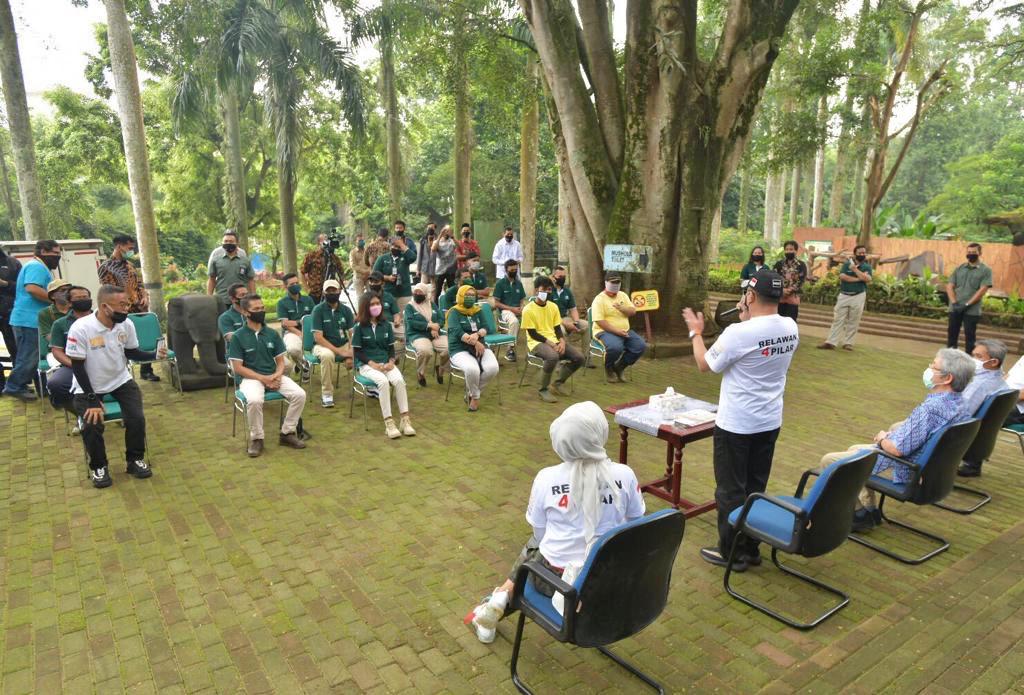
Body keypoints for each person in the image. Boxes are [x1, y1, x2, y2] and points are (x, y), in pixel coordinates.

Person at [463, 401, 646, 644]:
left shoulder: (547, 479)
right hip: (609, 581)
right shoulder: (625, 474)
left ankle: (498, 600)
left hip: (557, 584)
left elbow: (540, 535)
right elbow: (635, 524)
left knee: (533, 548)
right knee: (543, 547)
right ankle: (498, 599)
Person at [681, 270, 798, 571]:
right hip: (769, 420)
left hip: (737, 424)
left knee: (731, 489)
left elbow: (705, 364)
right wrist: (747, 320)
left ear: (751, 296)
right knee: (756, 485)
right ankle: (751, 546)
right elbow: (759, 342)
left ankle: (731, 551)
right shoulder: (790, 326)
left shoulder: (737, 333)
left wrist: (696, 332)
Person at [818, 348, 974, 532]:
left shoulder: (932, 408)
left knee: (830, 461)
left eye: (934, 365)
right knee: (855, 448)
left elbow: (896, 450)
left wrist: (883, 438)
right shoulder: (960, 403)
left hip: (908, 469)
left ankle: (859, 515)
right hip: (931, 470)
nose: (929, 368)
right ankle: (869, 511)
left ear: (947, 378)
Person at [67, 285, 166, 488]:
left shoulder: (126, 324)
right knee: (92, 424)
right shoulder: (81, 328)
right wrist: (92, 399)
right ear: (105, 307)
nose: (127, 308)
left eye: (127, 303)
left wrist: (153, 355)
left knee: (136, 418)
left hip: (120, 380)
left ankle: (134, 460)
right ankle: (98, 467)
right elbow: (77, 366)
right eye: (122, 305)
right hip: (88, 385)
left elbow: (132, 352)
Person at [227, 294, 308, 457]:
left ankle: (287, 433)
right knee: (255, 400)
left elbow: (280, 361)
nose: (261, 311)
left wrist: (277, 375)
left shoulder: (272, 333)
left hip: (273, 375)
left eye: (262, 308)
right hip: (250, 379)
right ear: (245, 312)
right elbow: (238, 368)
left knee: (300, 394)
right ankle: (257, 438)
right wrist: (263, 379)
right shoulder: (238, 336)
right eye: (256, 309)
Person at [351, 291, 416, 439]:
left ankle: (405, 420)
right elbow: (358, 352)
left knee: (399, 381)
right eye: (372, 304)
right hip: (367, 365)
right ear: (365, 307)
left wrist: (391, 361)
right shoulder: (359, 327)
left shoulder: (386, 325)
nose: (376, 307)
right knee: (383, 382)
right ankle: (389, 422)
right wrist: (371, 363)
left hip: (386, 363)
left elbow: (391, 348)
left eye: (378, 304)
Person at [3, 239, 61, 401]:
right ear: (43, 251)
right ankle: (14, 386)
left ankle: (37, 387)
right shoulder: (36, 267)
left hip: (26, 319)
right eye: (55, 253)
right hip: (29, 320)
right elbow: (32, 288)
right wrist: (55, 301)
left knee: (32, 356)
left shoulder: (37, 265)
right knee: (29, 356)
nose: (58, 257)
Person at [99, 234, 160, 381]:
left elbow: (139, 284)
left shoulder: (130, 265)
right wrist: (127, 302)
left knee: (146, 338)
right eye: (129, 248)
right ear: (119, 246)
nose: (131, 251)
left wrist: (145, 297)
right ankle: (121, 372)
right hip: (121, 312)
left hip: (140, 309)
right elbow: (108, 291)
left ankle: (146, 370)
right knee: (122, 340)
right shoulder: (105, 267)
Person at [521, 276, 584, 402]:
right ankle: (543, 389)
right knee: (553, 356)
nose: (547, 292)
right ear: (536, 290)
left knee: (579, 358)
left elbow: (557, 328)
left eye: (550, 289)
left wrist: (562, 341)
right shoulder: (528, 309)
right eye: (544, 289)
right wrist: (551, 344)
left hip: (554, 340)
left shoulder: (553, 307)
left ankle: (557, 383)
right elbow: (533, 334)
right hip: (536, 343)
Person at [957, 339, 1009, 477]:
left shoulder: (979, 385)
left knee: (897, 428)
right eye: (973, 355)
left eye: (978, 357)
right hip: (979, 440)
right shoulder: (1000, 381)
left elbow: (959, 415)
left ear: (993, 362)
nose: (973, 359)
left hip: (958, 436)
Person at [446, 284, 500, 412]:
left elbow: (486, 327)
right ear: (460, 296)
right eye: (467, 295)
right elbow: (457, 332)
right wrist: (475, 342)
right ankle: (475, 397)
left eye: (472, 295)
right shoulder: (453, 312)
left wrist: (477, 335)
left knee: (493, 368)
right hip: (459, 349)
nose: (470, 297)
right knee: (472, 369)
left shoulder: (477, 310)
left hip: (480, 346)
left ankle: (470, 393)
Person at [591, 270, 646, 382]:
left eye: (617, 282)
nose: (615, 285)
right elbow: (600, 321)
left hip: (625, 331)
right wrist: (617, 332)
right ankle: (609, 368)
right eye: (613, 283)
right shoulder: (599, 299)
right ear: (606, 283)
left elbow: (632, 311)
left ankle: (619, 367)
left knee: (640, 346)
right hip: (604, 331)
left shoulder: (623, 295)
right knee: (615, 347)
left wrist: (621, 308)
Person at [309, 279, 354, 408]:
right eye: (328, 291)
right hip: (322, 346)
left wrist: (350, 353)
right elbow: (318, 337)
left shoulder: (346, 310)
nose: (331, 293)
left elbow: (352, 334)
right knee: (328, 355)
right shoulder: (318, 310)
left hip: (343, 344)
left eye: (334, 290)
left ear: (339, 291)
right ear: (324, 293)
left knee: (363, 349)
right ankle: (327, 393)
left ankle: (368, 386)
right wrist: (340, 352)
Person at [47, 286, 93, 410]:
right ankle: (80, 414)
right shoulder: (60, 324)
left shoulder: (102, 319)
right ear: (70, 302)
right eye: (78, 298)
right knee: (55, 384)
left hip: (101, 364)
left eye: (85, 297)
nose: (83, 300)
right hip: (73, 366)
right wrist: (74, 365)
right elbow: (57, 351)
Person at [818, 245, 873, 351]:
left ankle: (848, 343)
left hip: (858, 295)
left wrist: (855, 270)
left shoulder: (867, 267)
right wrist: (859, 278)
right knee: (838, 319)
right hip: (844, 295)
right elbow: (843, 277)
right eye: (860, 253)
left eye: (863, 253)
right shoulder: (847, 264)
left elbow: (868, 279)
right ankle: (831, 342)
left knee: (854, 320)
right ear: (855, 253)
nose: (862, 254)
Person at [946, 242, 992, 355]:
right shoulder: (959, 268)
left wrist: (967, 305)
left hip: (972, 311)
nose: (971, 254)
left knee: (970, 337)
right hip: (955, 308)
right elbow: (949, 286)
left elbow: (982, 290)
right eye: (969, 252)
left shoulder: (985, 270)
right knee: (952, 335)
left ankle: (969, 363)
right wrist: (954, 303)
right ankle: (950, 360)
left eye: (974, 252)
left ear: (980, 253)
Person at [404, 282, 448, 387]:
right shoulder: (410, 307)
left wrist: (437, 326)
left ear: (425, 294)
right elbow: (411, 323)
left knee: (452, 347)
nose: (417, 294)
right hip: (417, 334)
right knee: (425, 351)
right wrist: (429, 326)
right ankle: (421, 373)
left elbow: (441, 318)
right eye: (415, 292)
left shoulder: (431, 304)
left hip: (435, 334)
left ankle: (441, 368)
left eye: (420, 292)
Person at [276, 272, 315, 375]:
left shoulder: (308, 300)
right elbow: (285, 324)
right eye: (292, 284)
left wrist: (296, 322)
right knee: (293, 349)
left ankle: (301, 366)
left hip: (309, 331)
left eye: (297, 283)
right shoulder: (282, 303)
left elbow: (314, 319)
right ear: (285, 286)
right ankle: (304, 364)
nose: (295, 286)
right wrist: (300, 327)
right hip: (291, 333)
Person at [372, 226, 417, 315]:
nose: (395, 247)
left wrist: (402, 245)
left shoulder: (405, 256)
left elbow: (413, 257)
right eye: (393, 245)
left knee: (404, 318)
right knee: (388, 317)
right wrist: (387, 277)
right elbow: (374, 274)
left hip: (404, 293)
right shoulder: (383, 258)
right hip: (388, 292)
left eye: (397, 246)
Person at [207, 230, 254, 307]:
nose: (228, 243)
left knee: (241, 319)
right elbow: (211, 279)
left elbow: (251, 280)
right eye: (226, 241)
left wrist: (253, 297)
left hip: (241, 300)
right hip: (222, 300)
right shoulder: (215, 260)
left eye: (231, 241)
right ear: (222, 243)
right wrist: (209, 297)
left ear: (237, 243)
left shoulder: (245, 260)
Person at [493, 259, 526, 362]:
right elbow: (496, 303)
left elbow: (522, 300)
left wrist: (521, 307)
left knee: (535, 319)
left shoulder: (519, 284)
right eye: (512, 270)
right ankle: (510, 350)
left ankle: (535, 349)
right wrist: (512, 309)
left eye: (516, 270)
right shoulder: (500, 284)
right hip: (505, 311)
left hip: (518, 310)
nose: (514, 271)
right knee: (514, 322)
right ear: (506, 270)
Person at [0, 246, 23, 392]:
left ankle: (18, 385)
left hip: (9, 313)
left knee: (16, 350)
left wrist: (5, 284)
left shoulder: (12, 263)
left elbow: (23, 287)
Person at [300, 233, 344, 304]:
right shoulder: (312, 256)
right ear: (318, 243)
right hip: (315, 292)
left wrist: (339, 287)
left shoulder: (334, 258)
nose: (326, 242)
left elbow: (341, 272)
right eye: (324, 240)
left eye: (327, 239)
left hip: (330, 292)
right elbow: (302, 272)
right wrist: (307, 289)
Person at [550, 266, 588, 342]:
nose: (562, 278)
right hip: (552, 320)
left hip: (565, 318)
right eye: (560, 276)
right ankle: (564, 352)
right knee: (562, 331)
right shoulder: (548, 291)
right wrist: (566, 324)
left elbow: (573, 309)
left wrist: (576, 322)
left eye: (564, 276)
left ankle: (586, 353)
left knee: (587, 326)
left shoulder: (567, 291)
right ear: (553, 277)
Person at [773, 240, 807, 322]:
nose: (789, 251)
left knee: (790, 323)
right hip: (779, 298)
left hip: (793, 299)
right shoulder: (779, 264)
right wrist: (782, 290)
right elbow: (774, 278)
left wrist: (789, 290)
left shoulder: (801, 265)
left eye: (791, 249)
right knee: (778, 322)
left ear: (796, 251)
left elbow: (801, 280)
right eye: (787, 249)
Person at [365, 271, 402, 339]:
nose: (372, 284)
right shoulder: (364, 297)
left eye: (376, 282)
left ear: (382, 283)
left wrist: (397, 321)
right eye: (371, 282)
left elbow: (396, 313)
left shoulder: (389, 296)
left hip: (389, 324)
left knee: (406, 334)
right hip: (371, 325)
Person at [37, 279, 72, 347]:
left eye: (69, 290)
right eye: (63, 290)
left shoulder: (78, 307)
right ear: (52, 296)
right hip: (57, 349)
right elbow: (49, 337)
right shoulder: (45, 313)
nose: (67, 293)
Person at [432, 225, 458, 301]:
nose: (447, 233)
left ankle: (452, 304)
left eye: (449, 231)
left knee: (452, 289)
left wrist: (453, 237)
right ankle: (436, 307)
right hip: (440, 269)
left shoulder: (452, 241)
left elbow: (459, 247)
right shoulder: (437, 241)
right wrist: (440, 235)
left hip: (451, 269)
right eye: (445, 231)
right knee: (437, 290)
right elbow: (433, 249)